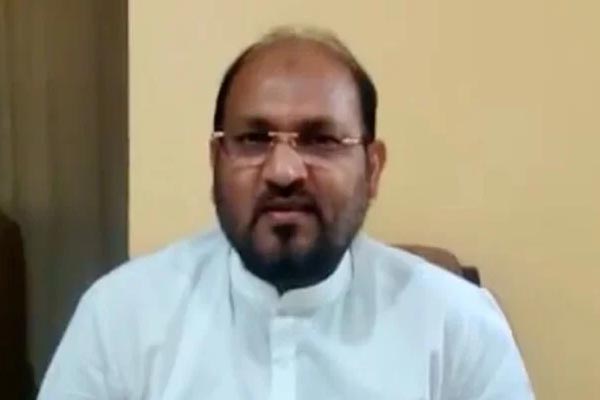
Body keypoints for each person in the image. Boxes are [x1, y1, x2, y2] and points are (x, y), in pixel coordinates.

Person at [38, 27, 535, 399]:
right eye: (254, 139)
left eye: (321, 140)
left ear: (373, 168)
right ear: (216, 161)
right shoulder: (120, 318)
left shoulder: (457, 327)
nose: (283, 171)